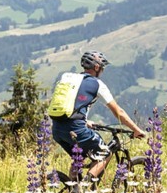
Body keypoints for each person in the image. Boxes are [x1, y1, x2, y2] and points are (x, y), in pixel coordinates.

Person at [48, 51, 147, 179]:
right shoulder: (97, 84)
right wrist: (136, 130)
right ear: (96, 67)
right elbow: (119, 112)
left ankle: (73, 191)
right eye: (102, 67)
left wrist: (84, 120)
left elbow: (70, 103)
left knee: (79, 157)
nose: (102, 71)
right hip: (76, 129)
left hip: (57, 129)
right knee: (105, 153)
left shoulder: (70, 79)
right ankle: (84, 188)